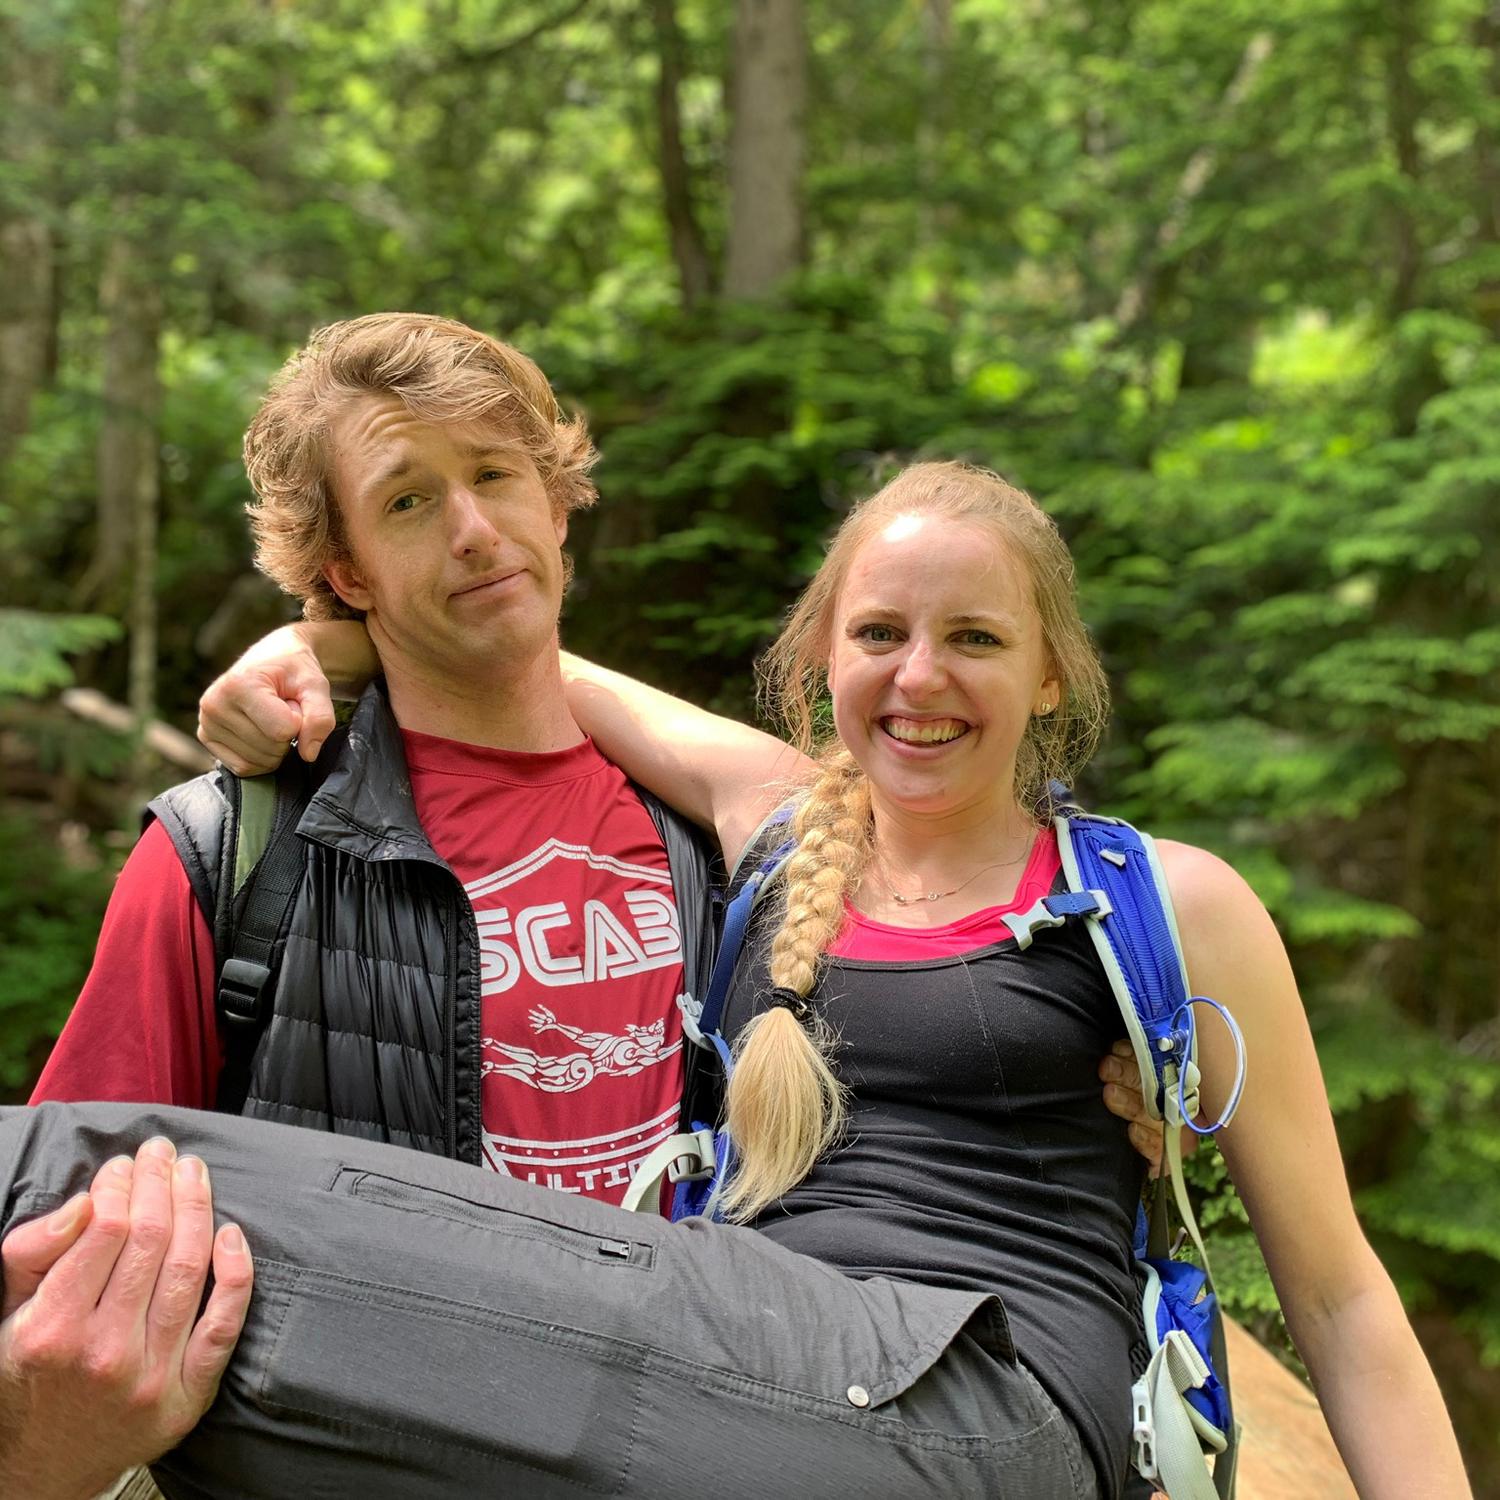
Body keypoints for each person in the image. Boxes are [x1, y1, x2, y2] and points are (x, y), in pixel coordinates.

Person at [3, 316, 1163, 1499]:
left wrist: (1127, 1096)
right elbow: (53, 1265)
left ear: (557, 503)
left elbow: (919, 1128)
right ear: (344, 572)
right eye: (407, 501)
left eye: (497, 475)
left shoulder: (734, 859)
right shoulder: (235, 856)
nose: (473, 528)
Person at [183, 460, 1472, 1498]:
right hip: (724, 1364)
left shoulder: (1170, 903)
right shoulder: (778, 826)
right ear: (822, 660)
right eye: (880, 633)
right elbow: (517, 659)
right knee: (236, 1235)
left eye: (974, 636)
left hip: (995, 1401)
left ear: (1049, 674)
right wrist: (322, 650)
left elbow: (1342, 1295)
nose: (921, 677)